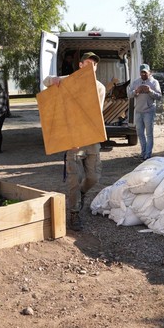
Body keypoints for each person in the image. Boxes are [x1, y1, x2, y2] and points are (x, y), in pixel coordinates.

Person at [43, 52, 105, 231]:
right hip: (73, 139)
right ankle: (74, 212)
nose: (91, 66)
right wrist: (54, 79)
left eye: (94, 64)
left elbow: (96, 115)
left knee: (94, 177)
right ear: (80, 65)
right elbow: (46, 81)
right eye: (87, 63)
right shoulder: (69, 80)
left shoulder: (100, 87)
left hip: (91, 138)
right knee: (74, 180)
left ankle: (82, 193)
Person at [127, 63, 162, 160]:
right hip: (138, 111)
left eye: (145, 72)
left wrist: (150, 91)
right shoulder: (136, 82)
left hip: (149, 112)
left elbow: (159, 96)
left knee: (149, 134)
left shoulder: (154, 82)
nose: (143, 74)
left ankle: (148, 155)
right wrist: (136, 91)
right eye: (142, 72)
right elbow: (129, 95)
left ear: (149, 72)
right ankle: (143, 153)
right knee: (140, 133)